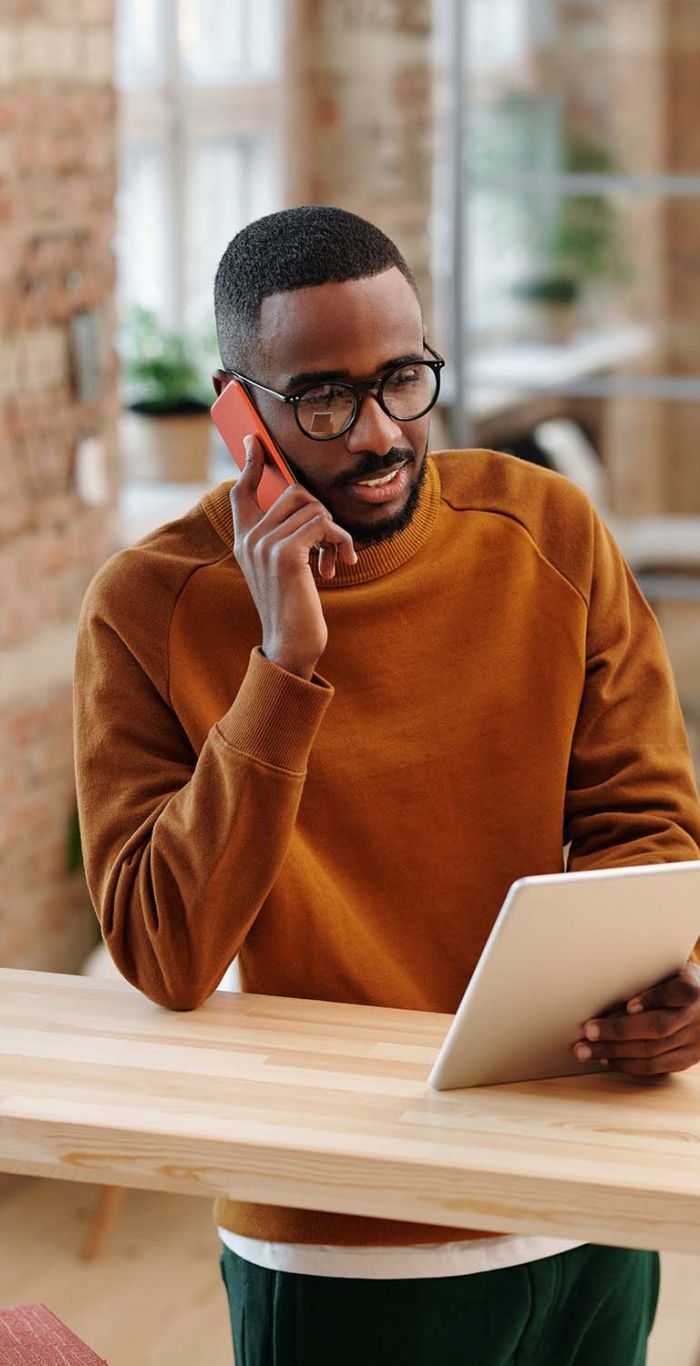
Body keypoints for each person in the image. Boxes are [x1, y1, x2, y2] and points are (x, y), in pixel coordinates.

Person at [74, 205, 700, 1366]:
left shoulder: (546, 530)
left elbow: (645, 825)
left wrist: (668, 983)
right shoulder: (146, 608)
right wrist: (282, 665)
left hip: (582, 1204)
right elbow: (164, 951)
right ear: (237, 412)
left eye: (403, 378)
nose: (379, 433)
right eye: (321, 399)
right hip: (342, 1245)